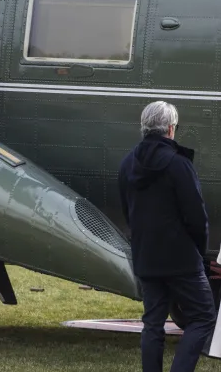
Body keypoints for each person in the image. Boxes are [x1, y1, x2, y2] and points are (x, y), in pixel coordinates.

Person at [118, 101, 215, 372]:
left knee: (153, 323)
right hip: (181, 258)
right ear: (170, 129)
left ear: (144, 127)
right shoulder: (178, 164)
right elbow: (197, 216)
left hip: (146, 256)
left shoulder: (127, 163)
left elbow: (128, 211)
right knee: (204, 316)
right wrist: (199, 251)